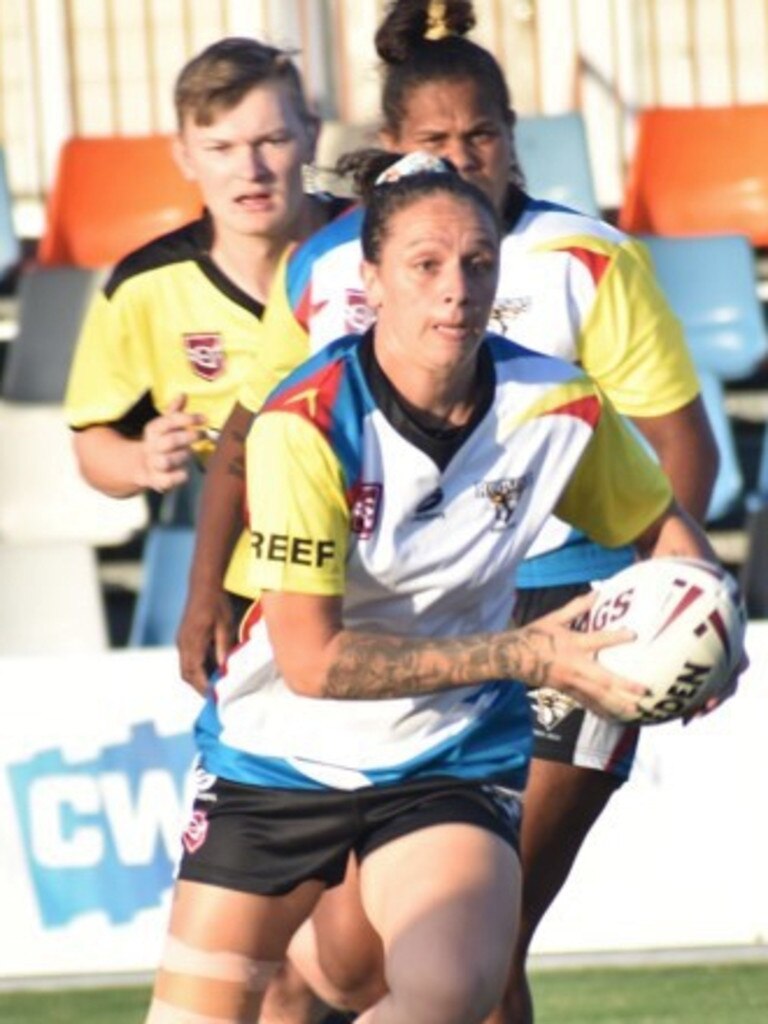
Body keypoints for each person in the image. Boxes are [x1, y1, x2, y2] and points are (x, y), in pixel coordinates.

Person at [176, 3, 718, 1021]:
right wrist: (209, 588)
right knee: (334, 974)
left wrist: (673, 614)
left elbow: (679, 443)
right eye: (437, 141)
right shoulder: (327, 275)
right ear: (394, 158)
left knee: (481, 943)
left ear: (516, 134)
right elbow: (255, 435)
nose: (465, 156)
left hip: (572, 623)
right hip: (350, 667)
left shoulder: (581, 259)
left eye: (484, 134)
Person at [63, 35, 349, 1024]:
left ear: (311, 134)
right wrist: (138, 461)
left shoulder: (369, 250)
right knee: (272, 932)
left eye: (272, 140)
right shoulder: (144, 286)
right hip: (244, 614)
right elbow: (92, 437)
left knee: (371, 932)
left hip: (387, 598)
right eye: (223, 146)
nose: (253, 168)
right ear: (183, 155)